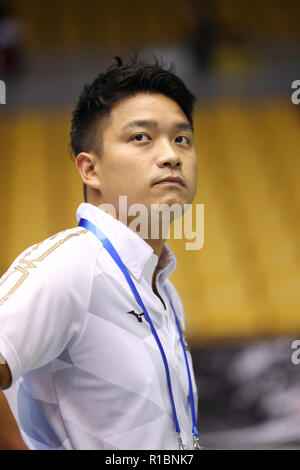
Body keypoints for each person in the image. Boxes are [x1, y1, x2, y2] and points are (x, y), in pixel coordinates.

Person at [0, 55, 200, 450]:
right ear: (90, 170)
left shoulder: (162, 288)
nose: (172, 155)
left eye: (182, 138)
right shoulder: (70, 265)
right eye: (141, 137)